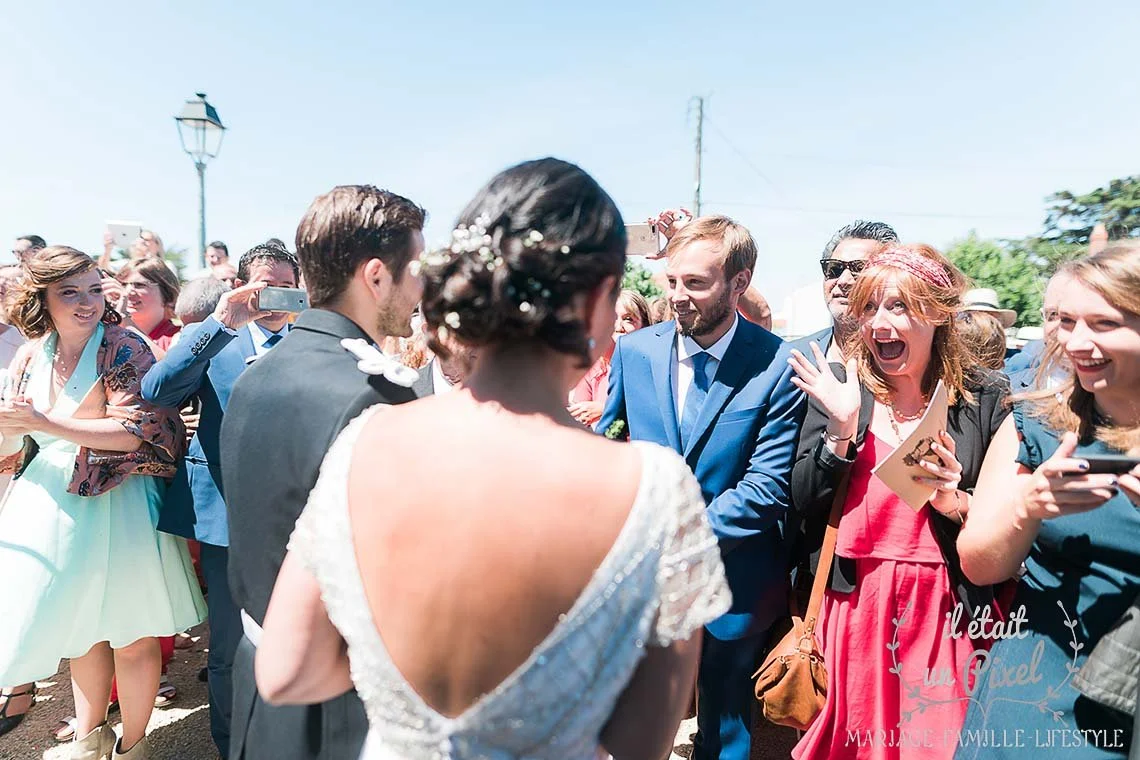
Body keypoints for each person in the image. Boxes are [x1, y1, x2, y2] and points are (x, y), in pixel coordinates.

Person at [254, 157, 729, 760]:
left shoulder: (366, 442)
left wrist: (392, 676)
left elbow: (286, 673)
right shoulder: (654, 488)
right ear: (596, 302)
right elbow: (641, 744)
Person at [221, 184, 427, 760]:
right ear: (376, 276)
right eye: (416, 270)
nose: (421, 290)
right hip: (335, 704)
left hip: (258, 678)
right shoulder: (375, 397)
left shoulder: (256, 374)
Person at [787, 243, 1009, 759]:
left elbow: (1004, 517)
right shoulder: (842, 388)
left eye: (898, 307)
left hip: (946, 609)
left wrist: (952, 500)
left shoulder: (985, 398)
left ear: (938, 314)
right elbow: (802, 500)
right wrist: (840, 433)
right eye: (869, 308)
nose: (879, 323)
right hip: (854, 606)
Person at [598, 214, 801, 760]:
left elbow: (766, 486)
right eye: (671, 281)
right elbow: (611, 441)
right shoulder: (635, 351)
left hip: (733, 584)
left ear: (739, 283)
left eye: (695, 283)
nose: (677, 296)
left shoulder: (777, 364)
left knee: (724, 737)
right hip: (643, 582)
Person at [0, 246, 205, 760]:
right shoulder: (30, 354)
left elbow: (135, 431)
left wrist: (43, 422)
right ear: (43, 298)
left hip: (120, 500)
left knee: (132, 633)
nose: (87, 302)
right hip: (49, 503)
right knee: (82, 632)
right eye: (70, 292)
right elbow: (16, 443)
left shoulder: (123, 345)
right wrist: (12, 431)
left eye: (94, 289)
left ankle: (134, 745)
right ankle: (89, 739)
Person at [957, 243, 1140, 759]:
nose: (1076, 342)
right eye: (1066, 321)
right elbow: (979, 565)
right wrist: (1028, 507)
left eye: (1104, 324)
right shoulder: (1036, 422)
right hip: (1038, 694)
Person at [141, 242, 300, 759]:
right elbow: (157, 390)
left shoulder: (314, 343)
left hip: (300, 517)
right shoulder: (216, 339)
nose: (276, 298)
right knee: (229, 643)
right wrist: (221, 324)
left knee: (299, 635)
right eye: (266, 286)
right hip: (228, 514)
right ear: (241, 287)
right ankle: (233, 744)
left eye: (287, 286)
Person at [790, 220, 899, 360]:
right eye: (835, 269)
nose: (843, 281)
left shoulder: (906, 361)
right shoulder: (792, 358)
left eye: (859, 269)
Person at [568, 289, 650, 427]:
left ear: (645, 326)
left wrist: (606, 409)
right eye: (613, 317)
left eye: (628, 319)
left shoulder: (651, 368)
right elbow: (578, 416)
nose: (618, 326)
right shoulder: (592, 368)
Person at [116, 258, 181, 353]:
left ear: (168, 295)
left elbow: (165, 362)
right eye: (123, 284)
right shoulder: (109, 335)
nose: (127, 292)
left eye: (139, 285)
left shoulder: (180, 338)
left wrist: (127, 323)